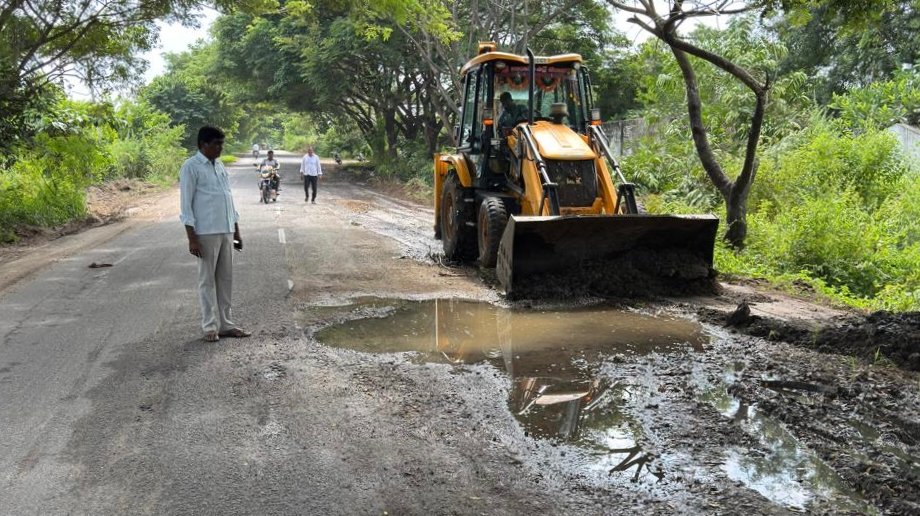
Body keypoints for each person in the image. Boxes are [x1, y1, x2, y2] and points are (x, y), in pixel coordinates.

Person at [180, 126, 252, 342]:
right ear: (203, 145)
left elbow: (228, 198)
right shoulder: (190, 167)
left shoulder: (220, 165)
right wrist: (192, 238)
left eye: (222, 143)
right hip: (205, 232)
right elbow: (186, 206)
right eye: (216, 144)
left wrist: (236, 230)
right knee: (207, 281)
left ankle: (226, 324)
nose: (220, 148)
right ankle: (210, 326)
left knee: (225, 279)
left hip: (226, 229)